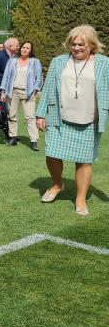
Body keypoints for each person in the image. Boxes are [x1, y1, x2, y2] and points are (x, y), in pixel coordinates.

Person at [36, 25, 109, 216]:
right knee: (52, 154)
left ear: (92, 45)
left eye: (81, 44)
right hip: (59, 118)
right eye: (73, 44)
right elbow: (49, 87)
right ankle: (57, 184)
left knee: (84, 161)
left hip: (89, 120)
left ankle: (80, 198)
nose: (77, 48)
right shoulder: (58, 61)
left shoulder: (104, 63)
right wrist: (41, 114)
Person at [0, 41, 43, 150]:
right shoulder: (12, 61)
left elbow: (39, 77)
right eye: (23, 47)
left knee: (30, 117)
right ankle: (13, 137)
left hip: (28, 93)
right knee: (12, 115)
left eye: (28, 48)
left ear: (31, 50)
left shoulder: (35, 62)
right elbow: (6, 76)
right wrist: (3, 91)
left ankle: (33, 141)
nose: (25, 49)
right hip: (12, 92)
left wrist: (36, 89)